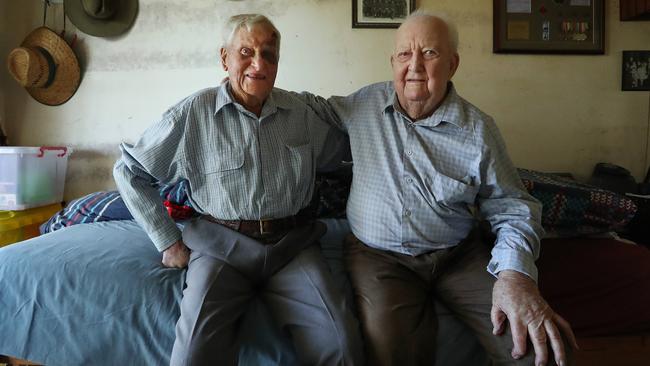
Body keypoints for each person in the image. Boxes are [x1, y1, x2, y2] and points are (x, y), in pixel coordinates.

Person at [298, 10, 578, 366]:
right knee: (389, 352)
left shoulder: (478, 130)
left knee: (541, 353)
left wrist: (515, 275)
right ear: (392, 62)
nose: (414, 65)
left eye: (429, 53)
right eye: (404, 54)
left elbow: (513, 207)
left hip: (458, 256)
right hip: (379, 257)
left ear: (453, 64)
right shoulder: (362, 106)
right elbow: (304, 108)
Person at [113, 14, 363, 366]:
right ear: (224, 58)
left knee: (341, 344)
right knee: (192, 356)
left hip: (292, 245)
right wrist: (168, 240)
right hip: (219, 245)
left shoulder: (302, 113)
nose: (258, 64)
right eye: (246, 51)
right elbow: (129, 170)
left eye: (269, 54)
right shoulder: (194, 113)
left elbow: (354, 152)